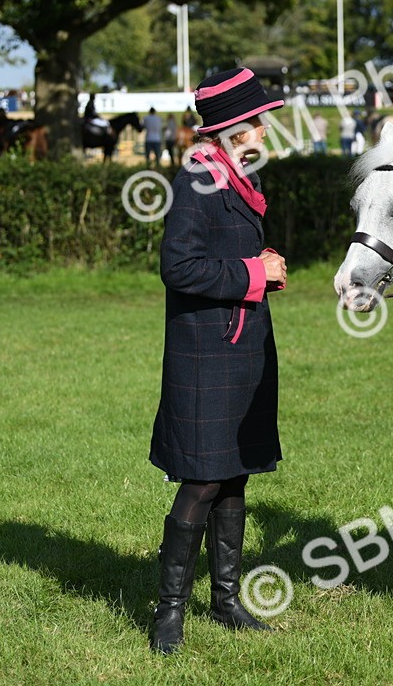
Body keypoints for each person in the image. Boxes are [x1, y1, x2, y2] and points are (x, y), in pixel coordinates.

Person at [148, 67, 288, 655]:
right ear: (232, 130)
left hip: (239, 346)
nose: (263, 131)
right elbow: (177, 267)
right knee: (203, 479)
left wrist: (258, 263)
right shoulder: (199, 182)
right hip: (206, 351)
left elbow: (219, 255)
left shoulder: (233, 179)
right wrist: (254, 272)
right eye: (255, 122)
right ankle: (168, 611)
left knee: (234, 474)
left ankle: (225, 601)